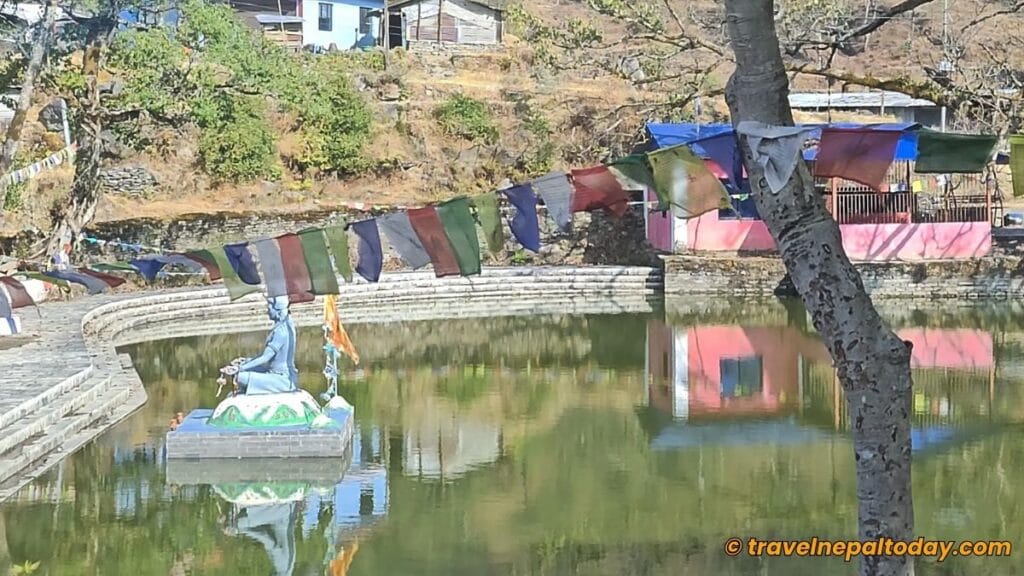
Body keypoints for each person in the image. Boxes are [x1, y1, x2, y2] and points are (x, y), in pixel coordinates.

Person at [222, 295, 299, 395]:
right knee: (244, 369)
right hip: (275, 373)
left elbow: (265, 358)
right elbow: (266, 356)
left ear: (278, 309)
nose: (267, 311)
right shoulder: (286, 327)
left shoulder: (281, 332)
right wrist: (246, 361)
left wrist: (240, 368)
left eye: (269, 307)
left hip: (282, 379)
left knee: (239, 376)